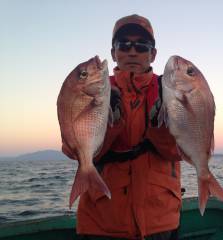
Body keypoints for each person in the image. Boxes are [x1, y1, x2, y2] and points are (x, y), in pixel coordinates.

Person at [69, 14, 182, 240]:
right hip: (102, 220)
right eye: (124, 45)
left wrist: (159, 128)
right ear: (113, 53)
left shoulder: (172, 89)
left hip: (159, 219)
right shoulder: (92, 90)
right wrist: (110, 124)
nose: (132, 52)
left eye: (141, 46)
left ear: (153, 54)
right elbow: (72, 148)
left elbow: (182, 151)